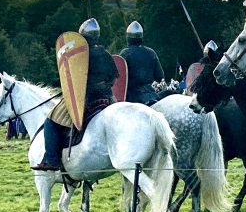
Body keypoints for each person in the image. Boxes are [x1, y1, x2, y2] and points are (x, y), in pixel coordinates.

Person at [31, 18, 117, 171]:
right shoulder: (105, 54)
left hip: (85, 98)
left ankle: (51, 159)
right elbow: (114, 77)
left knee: (51, 121)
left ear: (82, 36)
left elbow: (74, 77)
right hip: (107, 98)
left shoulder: (80, 55)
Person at [119, 21, 164, 106]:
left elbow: (120, 79)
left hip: (132, 98)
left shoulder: (125, 53)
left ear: (128, 37)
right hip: (152, 95)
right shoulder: (151, 52)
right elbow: (160, 76)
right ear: (141, 37)